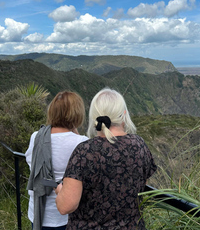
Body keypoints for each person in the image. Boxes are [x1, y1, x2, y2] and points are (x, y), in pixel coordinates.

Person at [55, 88, 157, 230]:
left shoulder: (84, 152)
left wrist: (60, 190)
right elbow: (140, 185)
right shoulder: (139, 145)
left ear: (94, 119)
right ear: (124, 115)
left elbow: (66, 206)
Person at [26, 91, 88, 230]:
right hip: (67, 215)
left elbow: (31, 164)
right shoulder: (82, 142)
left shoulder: (36, 137)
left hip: (38, 213)